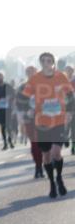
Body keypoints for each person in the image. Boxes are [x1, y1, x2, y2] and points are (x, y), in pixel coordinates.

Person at [22, 52, 74, 198]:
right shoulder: (34, 79)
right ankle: (52, 183)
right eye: (43, 61)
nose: (46, 63)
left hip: (59, 120)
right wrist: (29, 110)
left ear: (53, 63)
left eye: (49, 60)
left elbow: (70, 95)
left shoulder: (61, 77)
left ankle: (59, 178)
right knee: (46, 155)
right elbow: (25, 98)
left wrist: (69, 112)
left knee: (56, 152)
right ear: (41, 63)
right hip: (42, 122)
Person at [16, 65, 45, 178]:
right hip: (29, 118)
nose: (31, 74)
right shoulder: (22, 87)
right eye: (29, 72)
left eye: (33, 72)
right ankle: (38, 166)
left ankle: (42, 163)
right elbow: (19, 103)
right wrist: (24, 112)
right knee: (34, 143)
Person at [0, 71, 15, 150]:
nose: (0, 78)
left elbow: (13, 95)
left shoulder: (8, 86)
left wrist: (10, 98)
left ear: (3, 77)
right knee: (3, 126)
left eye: (1, 76)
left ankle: (10, 140)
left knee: (9, 126)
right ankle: (5, 143)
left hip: (8, 109)